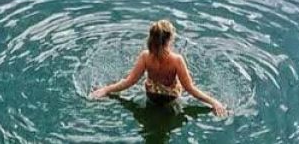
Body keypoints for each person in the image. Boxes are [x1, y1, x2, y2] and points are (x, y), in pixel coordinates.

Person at [89, 20, 227, 117]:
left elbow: (129, 82)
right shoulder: (177, 60)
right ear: (169, 40)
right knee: (185, 84)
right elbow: (190, 89)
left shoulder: (145, 56)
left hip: (151, 95)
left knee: (136, 80)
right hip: (171, 98)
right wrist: (214, 102)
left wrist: (106, 89)